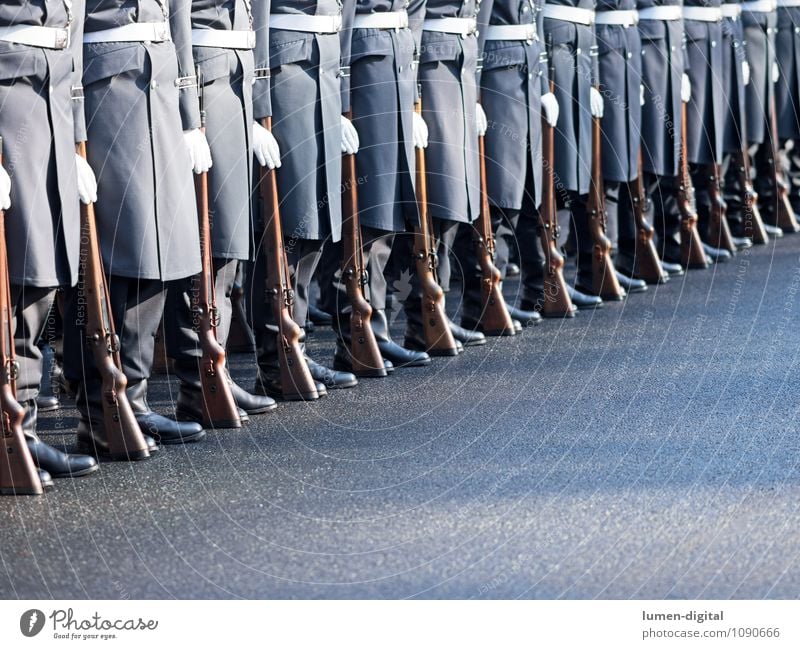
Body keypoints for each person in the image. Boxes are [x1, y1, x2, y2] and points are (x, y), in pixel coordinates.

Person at [64, 0, 209, 455]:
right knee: (119, 248)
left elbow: (179, 17)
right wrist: (71, 127)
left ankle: (136, 397)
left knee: (162, 245)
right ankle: (100, 405)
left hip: (160, 82)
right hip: (107, 82)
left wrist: (190, 116)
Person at [164, 0, 279, 426]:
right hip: (201, 78)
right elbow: (177, 18)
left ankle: (218, 370)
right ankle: (198, 381)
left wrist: (254, 101)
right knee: (202, 246)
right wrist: (188, 117)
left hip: (234, 78)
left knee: (228, 242)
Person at [0, 0, 98, 481]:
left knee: (45, 275)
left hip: (53, 98)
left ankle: (25, 433)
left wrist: (77, 134)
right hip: (9, 94)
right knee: (21, 268)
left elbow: (72, 28)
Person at [248, 0, 361, 398]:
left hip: (324, 67)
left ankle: (293, 345)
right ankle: (275, 356)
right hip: (286, 66)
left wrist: (343, 98)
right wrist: (258, 103)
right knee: (289, 219)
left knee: (316, 219)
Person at [316, 0, 431, 371]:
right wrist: (342, 100)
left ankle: (375, 330)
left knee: (385, 213)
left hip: (394, 66)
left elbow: (415, 11)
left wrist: (412, 97)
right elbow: (342, 16)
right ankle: (353, 335)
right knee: (361, 213)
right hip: (362, 69)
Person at [468, 0, 560, 321]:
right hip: (497, 74)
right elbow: (475, 19)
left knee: (530, 188)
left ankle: (537, 289)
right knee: (501, 193)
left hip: (529, 69)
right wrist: (474, 92)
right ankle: (486, 301)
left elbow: (538, 15)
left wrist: (545, 81)